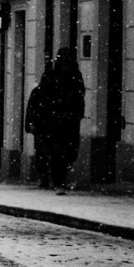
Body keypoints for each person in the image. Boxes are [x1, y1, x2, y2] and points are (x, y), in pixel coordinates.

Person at [49, 47, 86, 189]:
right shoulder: (53, 75)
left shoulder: (75, 75)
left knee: (69, 151)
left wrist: (77, 112)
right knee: (59, 151)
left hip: (69, 119)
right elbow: (46, 95)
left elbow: (80, 94)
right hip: (58, 119)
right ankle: (59, 180)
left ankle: (60, 177)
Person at [25, 63, 56, 188]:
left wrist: (30, 123)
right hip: (48, 127)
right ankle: (50, 178)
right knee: (49, 154)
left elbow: (30, 110)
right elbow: (31, 109)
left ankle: (44, 178)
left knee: (42, 154)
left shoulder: (38, 92)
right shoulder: (52, 93)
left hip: (42, 128)